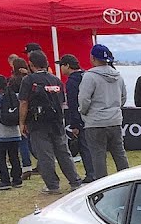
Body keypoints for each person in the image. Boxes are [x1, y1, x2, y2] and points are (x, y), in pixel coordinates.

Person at [19, 49, 83, 195]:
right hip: (57, 121)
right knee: (63, 153)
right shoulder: (56, 80)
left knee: (45, 155)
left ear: (31, 64)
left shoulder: (28, 80)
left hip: (38, 122)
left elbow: (23, 102)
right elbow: (61, 102)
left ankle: (52, 185)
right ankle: (75, 181)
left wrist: (22, 122)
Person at [78, 43, 130, 180]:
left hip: (95, 121)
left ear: (93, 58)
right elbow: (123, 97)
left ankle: (101, 183)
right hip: (114, 120)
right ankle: (127, 179)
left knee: (98, 156)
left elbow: (84, 99)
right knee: (119, 153)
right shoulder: (118, 76)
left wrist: (84, 112)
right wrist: (115, 108)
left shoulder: (89, 76)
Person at [55, 54, 95, 180]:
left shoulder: (72, 81)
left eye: (62, 65)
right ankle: (97, 172)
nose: (61, 69)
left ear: (67, 65)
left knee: (85, 147)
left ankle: (91, 174)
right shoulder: (87, 75)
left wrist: (75, 125)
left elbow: (73, 104)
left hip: (81, 118)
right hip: (94, 116)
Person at [8, 56, 35, 173]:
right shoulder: (30, 79)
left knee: (22, 139)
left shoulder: (12, 81)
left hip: (19, 111)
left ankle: (26, 164)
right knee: (33, 139)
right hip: (32, 111)